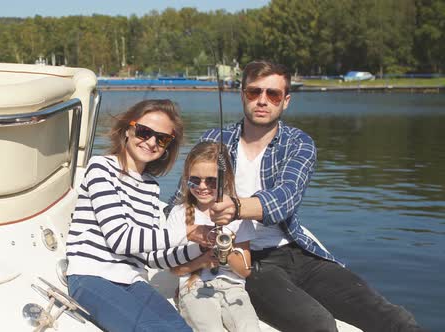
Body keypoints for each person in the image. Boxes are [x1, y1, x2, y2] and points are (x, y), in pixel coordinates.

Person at [171, 60, 423, 332]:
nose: (262, 101)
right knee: (318, 325)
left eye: (273, 94)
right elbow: (180, 198)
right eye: (254, 92)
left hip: (297, 250)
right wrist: (189, 232)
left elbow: (285, 199)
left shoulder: (298, 143)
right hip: (248, 261)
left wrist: (235, 207)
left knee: (393, 319)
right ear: (242, 94)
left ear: (286, 100)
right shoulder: (213, 139)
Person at [66, 99, 211, 332]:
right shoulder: (101, 168)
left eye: (162, 138)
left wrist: (202, 246)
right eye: (144, 132)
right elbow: (120, 239)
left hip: (132, 281)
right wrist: (188, 230)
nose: (151, 142)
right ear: (127, 130)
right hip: (91, 276)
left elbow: (153, 259)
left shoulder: (150, 186)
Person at [168, 142, 261, 332]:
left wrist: (224, 253)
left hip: (233, 287)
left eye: (211, 181)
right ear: (186, 179)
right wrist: (203, 260)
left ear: (224, 180)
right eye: (195, 180)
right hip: (194, 287)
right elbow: (175, 270)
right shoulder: (179, 213)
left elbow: (245, 271)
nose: (202, 187)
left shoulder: (237, 215)